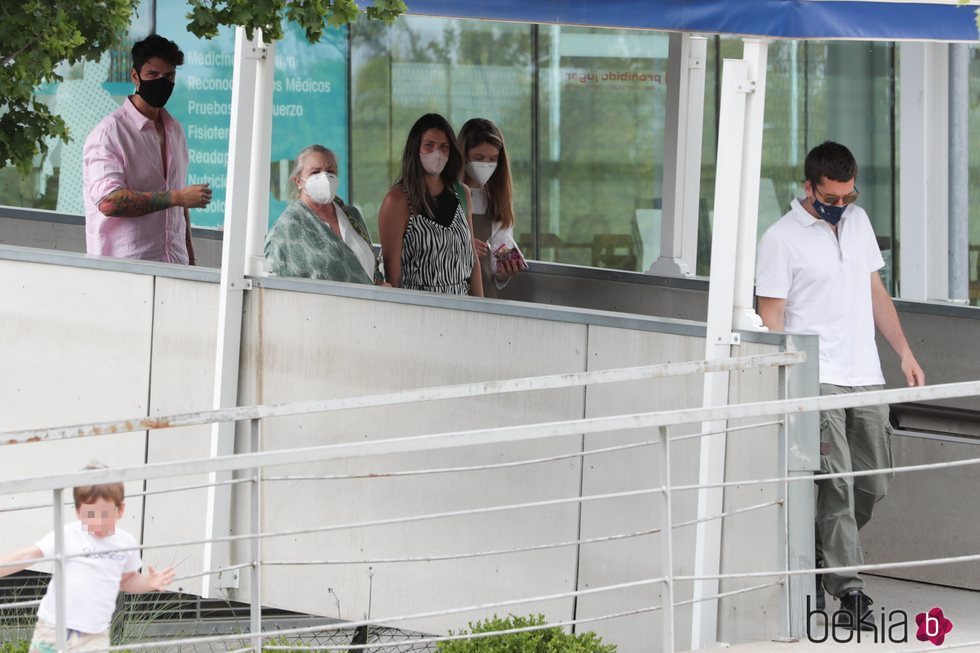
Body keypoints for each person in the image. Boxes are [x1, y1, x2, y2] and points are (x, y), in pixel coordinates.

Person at [755, 141, 925, 631]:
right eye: (832, 198)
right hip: (817, 378)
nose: (842, 206)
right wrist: (782, 386)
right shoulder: (780, 239)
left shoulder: (859, 222)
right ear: (809, 188)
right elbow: (772, 320)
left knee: (874, 481)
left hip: (864, 374)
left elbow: (874, 290)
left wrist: (904, 352)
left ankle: (812, 557)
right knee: (838, 488)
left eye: (850, 196)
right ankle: (850, 594)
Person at [0, 463, 174, 652]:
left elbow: (127, 580)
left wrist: (149, 582)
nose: (98, 522)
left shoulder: (125, 543)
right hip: (53, 626)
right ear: (77, 512)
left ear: (120, 510)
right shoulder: (68, 534)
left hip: (95, 634)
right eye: (90, 515)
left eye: (105, 515)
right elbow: (30, 554)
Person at [83, 34, 212, 265]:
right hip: (125, 270)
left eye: (169, 76)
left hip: (175, 265)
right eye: (153, 74)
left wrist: (190, 259)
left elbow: (179, 206)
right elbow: (108, 202)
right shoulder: (110, 133)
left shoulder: (175, 130)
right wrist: (177, 197)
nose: (162, 82)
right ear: (135, 76)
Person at [378, 113, 483, 296]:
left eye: (444, 147)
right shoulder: (397, 201)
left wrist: (481, 311)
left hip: (463, 308)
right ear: (415, 148)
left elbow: (472, 260)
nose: (438, 153)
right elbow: (392, 278)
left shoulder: (461, 193)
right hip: (420, 310)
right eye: (429, 146)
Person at [265, 145, 379, 284]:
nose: (324, 177)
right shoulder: (287, 228)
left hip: (371, 303)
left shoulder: (352, 215)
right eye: (315, 172)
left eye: (330, 171)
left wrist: (379, 284)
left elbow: (371, 266)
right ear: (298, 181)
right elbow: (278, 282)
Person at [458, 118, 526, 298]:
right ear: (463, 155)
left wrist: (504, 274)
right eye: (479, 159)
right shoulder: (444, 194)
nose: (486, 165)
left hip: (485, 297)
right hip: (449, 293)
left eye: (493, 159)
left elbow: (499, 255)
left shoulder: (497, 200)